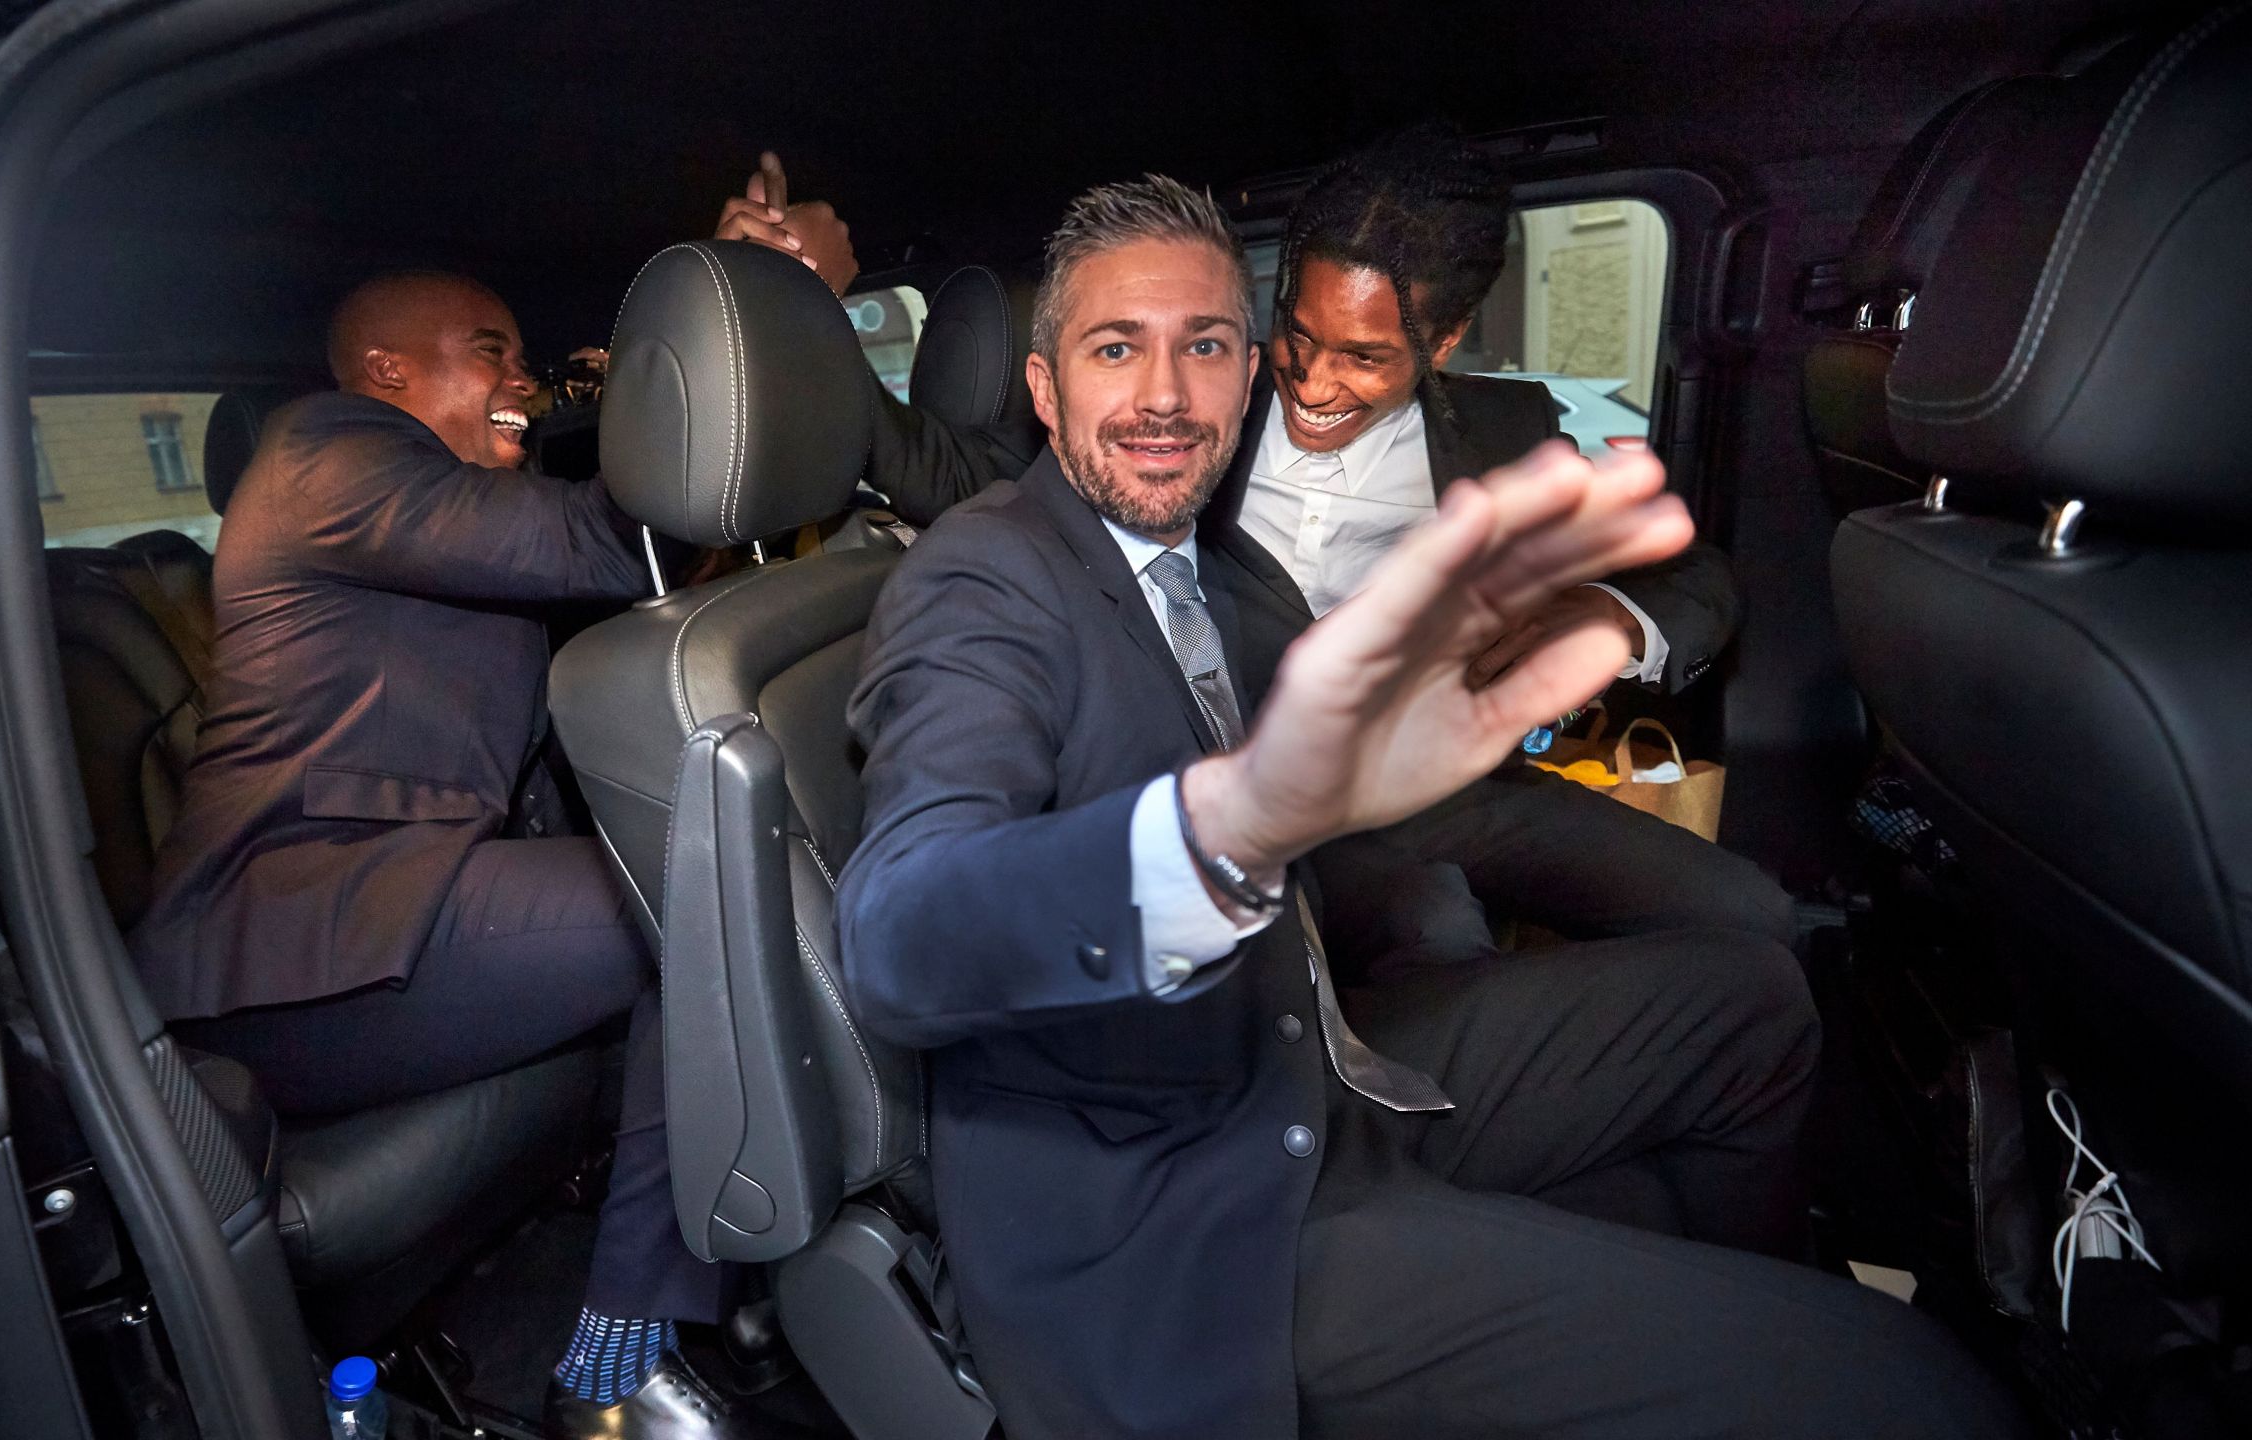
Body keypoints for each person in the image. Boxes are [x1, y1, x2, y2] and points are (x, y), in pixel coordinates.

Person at [837, 175, 2028, 1438]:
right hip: (1182, 1225)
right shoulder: (983, 577)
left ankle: (1745, 1324)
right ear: (1043, 388)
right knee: (1913, 1390)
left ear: (1245, 378)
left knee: (1752, 1003)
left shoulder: (1214, 563)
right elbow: (905, 930)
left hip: (1310, 1072)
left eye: (1204, 347)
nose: (1163, 396)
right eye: (1114, 348)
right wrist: (1232, 823)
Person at [859, 123, 1793, 961]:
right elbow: (953, 466)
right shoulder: (1196, 413)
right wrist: (806, 320)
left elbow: (1694, 574)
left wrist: (1611, 616)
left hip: (1447, 782)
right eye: (1298, 337)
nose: (1313, 382)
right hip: (1247, 781)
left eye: (1367, 358)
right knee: (1432, 928)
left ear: (1447, 339)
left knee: (1750, 916)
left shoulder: (1510, 436)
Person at [127, 262, 773, 1435]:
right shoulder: (330, 455)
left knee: (708, 873)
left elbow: (627, 568)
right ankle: (614, 1358)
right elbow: (599, 543)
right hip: (283, 944)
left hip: (382, 909)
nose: (522, 379)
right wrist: (717, 337)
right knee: (705, 901)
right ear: (386, 373)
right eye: (492, 351)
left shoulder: (418, 505)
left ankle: (725, 1250)